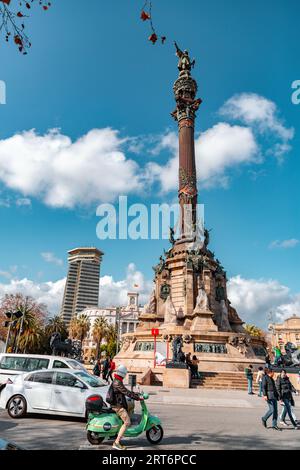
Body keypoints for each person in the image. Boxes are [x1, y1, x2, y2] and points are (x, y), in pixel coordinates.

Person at [109, 364, 143, 451]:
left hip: (118, 403)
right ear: (123, 374)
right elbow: (125, 392)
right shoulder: (117, 382)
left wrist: (136, 394)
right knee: (127, 422)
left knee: (130, 407)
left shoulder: (117, 380)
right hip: (117, 406)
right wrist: (137, 397)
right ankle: (116, 443)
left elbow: (125, 391)